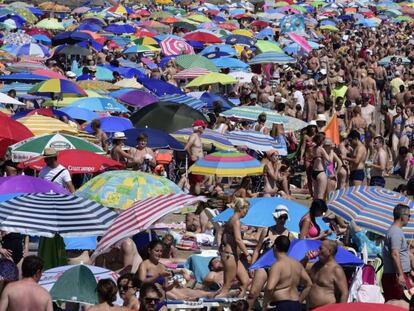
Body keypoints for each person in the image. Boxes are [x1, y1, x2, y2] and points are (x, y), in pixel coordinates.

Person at [248, 205, 294, 309]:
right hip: (263, 264)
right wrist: (252, 265)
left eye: (285, 217)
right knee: (252, 293)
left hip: (278, 267)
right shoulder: (266, 231)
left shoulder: (289, 235)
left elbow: (290, 255)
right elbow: (257, 249)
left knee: (269, 298)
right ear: (275, 217)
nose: (283, 220)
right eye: (281, 217)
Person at [264, 236, 312, 311]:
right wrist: (300, 300)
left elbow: (270, 288)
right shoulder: (297, 263)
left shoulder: (277, 265)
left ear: (275, 247)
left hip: (281, 304)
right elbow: (309, 284)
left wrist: (265, 303)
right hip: (296, 304)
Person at [217, 198, 251, 298]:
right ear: (241, 208)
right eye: (246, 209)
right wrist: (247, 254)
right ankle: (214, 304)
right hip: (230, 256)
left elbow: (221, 232)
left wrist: (220, 246)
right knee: (227, 287)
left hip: (232, 256)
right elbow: (238, 239)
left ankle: (239, 305)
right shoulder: (236, 221)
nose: (246, 212)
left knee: (245, 281)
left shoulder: (231, 219)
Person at [302, 240, 349, 309]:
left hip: (327, 308)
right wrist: (306, 259)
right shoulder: (317, 265)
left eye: (321, 248)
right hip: (310, 307)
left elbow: (344, 293)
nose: (318, 251)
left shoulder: (336, 270)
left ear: (329, 251)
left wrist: (340, 309)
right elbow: (299, 270)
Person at [382, 204, 412, 302]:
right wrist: (400, 275)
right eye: (409, 215)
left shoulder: (395, 231)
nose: (409, 218)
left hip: (395, 275)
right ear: (402, 216)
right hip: (395, 276)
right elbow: (395, 254)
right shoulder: (396, 232)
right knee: (399, 304)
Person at [185, 120, 206, 194]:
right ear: (199, 128)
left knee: (194, 183)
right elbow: (187, 147)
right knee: (198, 183)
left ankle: (192, 199)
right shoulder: (194, 136)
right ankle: (198, 201)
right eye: (203, 127)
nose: (204, 129)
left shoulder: (197, 137)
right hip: (195, 162)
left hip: (198, 162)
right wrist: (191, 156)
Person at [312, 133, 330, 199]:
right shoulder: (321, 149)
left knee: (315, 195)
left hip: (314, 172)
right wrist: (331, 151)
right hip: (321, 172)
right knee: (320, 195)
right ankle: (320, 209)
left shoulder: (314, 148)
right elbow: (329, 160)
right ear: (322, 140)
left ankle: (314, 208)